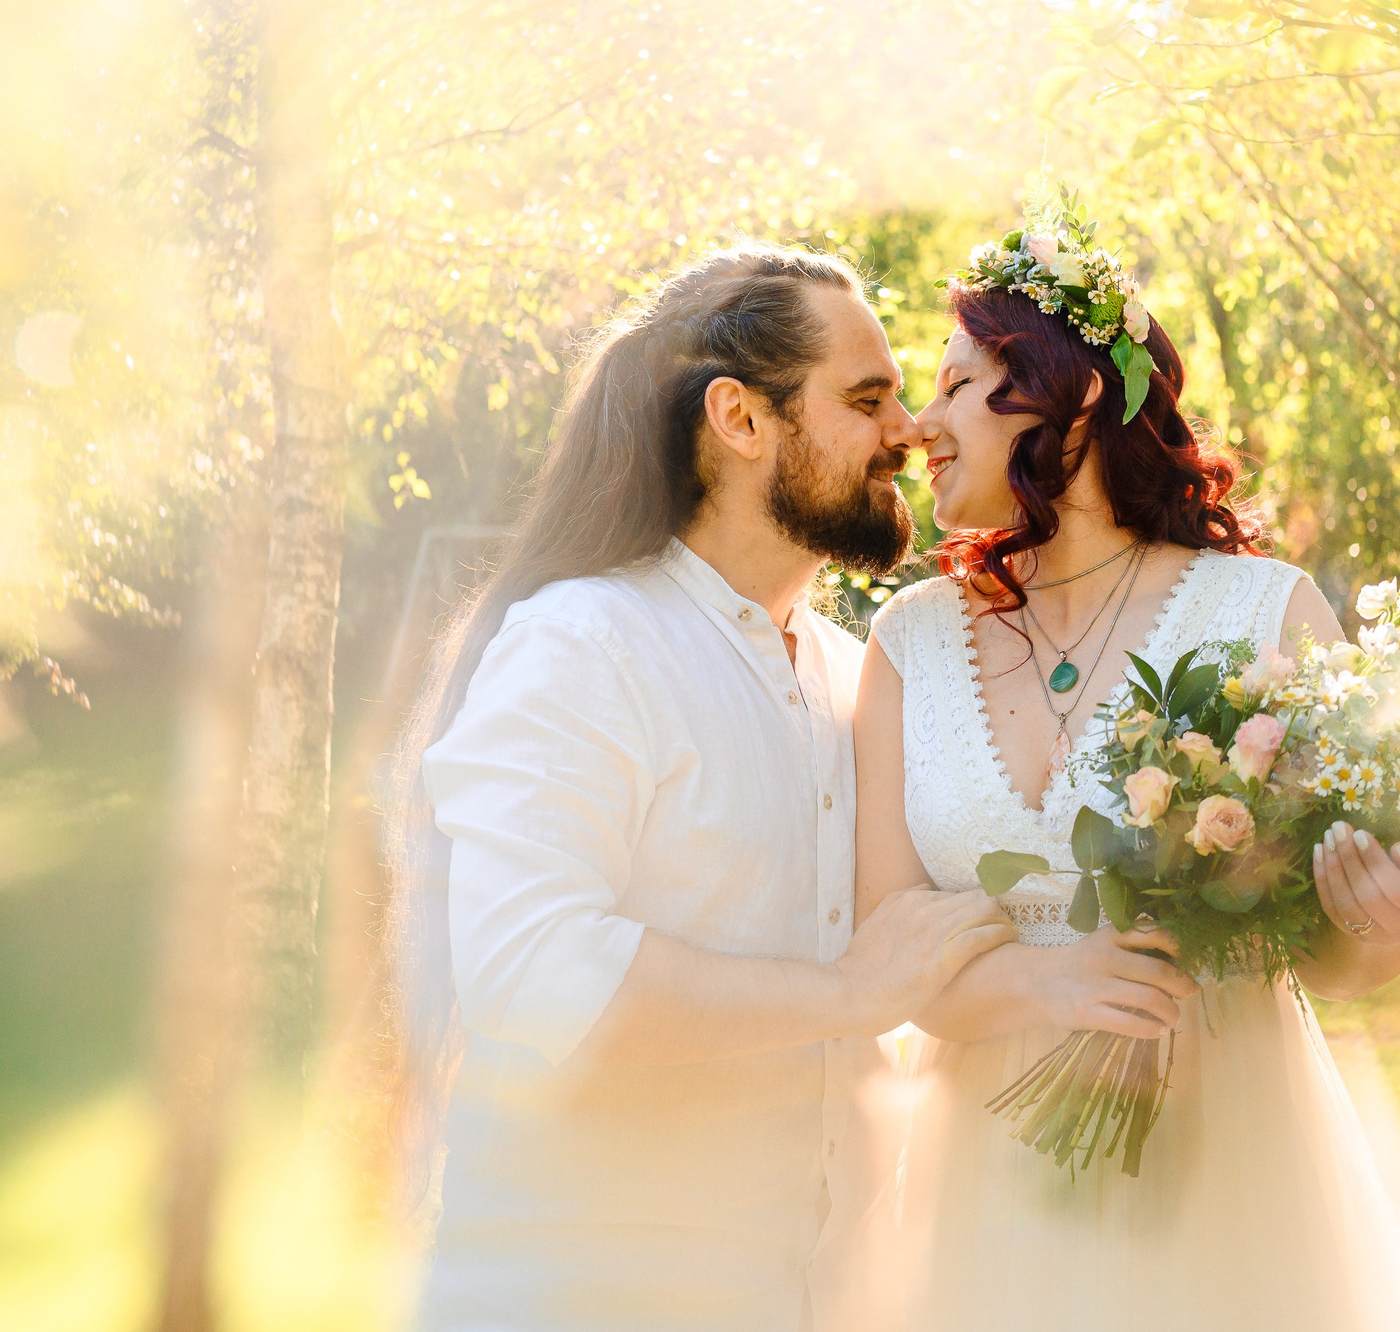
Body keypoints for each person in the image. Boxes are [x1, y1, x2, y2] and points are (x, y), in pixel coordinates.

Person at [843, 209, 1400, 1329]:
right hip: (985, 1174)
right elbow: (885, 943)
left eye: (953, 387)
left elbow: (1332, 953)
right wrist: (1050, 982)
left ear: (1074, 398)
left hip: (1225, 1161)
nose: (917, 426)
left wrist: (1389, 916)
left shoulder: (1265, 611)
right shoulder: (908, 640)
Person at [408, 246, 1014, 1332]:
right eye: (867, 398)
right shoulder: (583, 642)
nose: (909, 431)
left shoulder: (852, 672)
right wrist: (850, 992)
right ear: (740, 419)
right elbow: (535, 971)